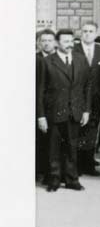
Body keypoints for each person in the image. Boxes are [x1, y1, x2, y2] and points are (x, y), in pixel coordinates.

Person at [36, 28, 92, 191]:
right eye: (65, 41)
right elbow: (40, 91)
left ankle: (71, 179)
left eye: (71, 41)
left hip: (75, 111)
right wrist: (41, 116)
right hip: (53, 112)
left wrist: (86, 110)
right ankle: (54, 179)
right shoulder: (46, 62)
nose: (69, 45)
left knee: (72, 147)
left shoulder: (81, 60)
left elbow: (87, 86)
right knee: (53, 148)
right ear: (57, 43)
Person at [74, 21, 100, 175]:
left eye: (91, 31)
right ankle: (76, 165)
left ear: (96, 34)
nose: (87, 33)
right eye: (85, 31)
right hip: (77, 98)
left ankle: (88, 164)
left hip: (95, 99)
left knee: (91, 132)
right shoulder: (74, 49)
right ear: (81, 33)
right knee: (77, 131)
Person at [35, 29, 57, 184]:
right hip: (36, 105)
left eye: (49, 40)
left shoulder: (59, 59)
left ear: (55, 42)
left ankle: (51, 172)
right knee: (38, 141)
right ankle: (39, 171)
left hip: (53, 107)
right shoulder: (35, 59)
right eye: (43, 40)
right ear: (38, 42)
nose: (46, 43)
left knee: (52, 141)